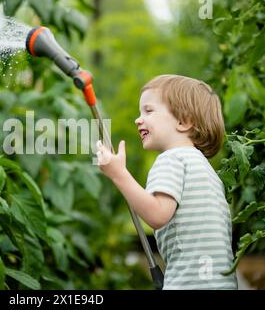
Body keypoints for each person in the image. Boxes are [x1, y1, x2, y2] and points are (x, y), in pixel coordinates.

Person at [96, 74, 238, 289]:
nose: (138, 119)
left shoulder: (171, 159)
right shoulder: (204, 168)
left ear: (184, 121)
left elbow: (157, 214)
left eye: (148, 111)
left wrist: (119, 174)